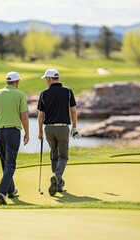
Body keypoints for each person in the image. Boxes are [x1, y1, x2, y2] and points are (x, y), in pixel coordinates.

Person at [0, 71, 29, 205]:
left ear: (7, 81)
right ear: (16, 82)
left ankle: (11, 190)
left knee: (5, 162)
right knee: (10, 163)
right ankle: (1, 192)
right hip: (13, 132)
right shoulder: (20, 94)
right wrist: (27, 133)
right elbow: (24, 116)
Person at [37, 68, 80, 196]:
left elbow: (40, 115)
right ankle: (56, 176)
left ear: (49, 79)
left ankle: (58, 185)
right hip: (62, 128)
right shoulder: (67, 92)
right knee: (64, 156)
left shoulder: (44, 93)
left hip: (49, 129)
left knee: (54, 156)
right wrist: (74, 127)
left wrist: (40, 132)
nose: (45, 81)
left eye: (46, 79)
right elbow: (73, 111)